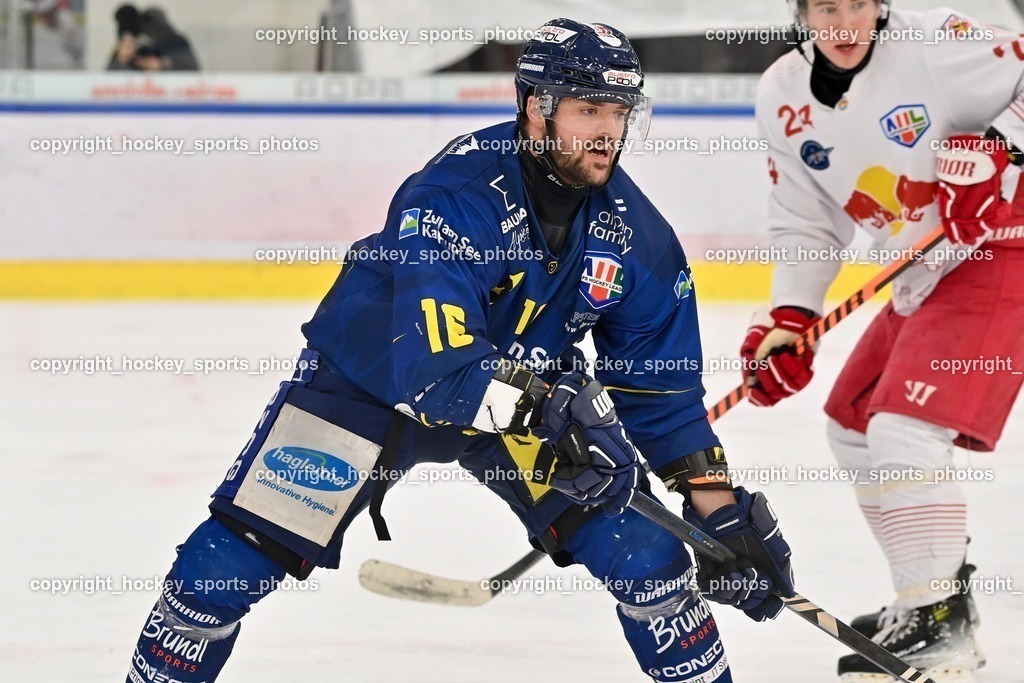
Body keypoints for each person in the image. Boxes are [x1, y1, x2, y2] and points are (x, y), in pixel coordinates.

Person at [124, 19, 796, 683]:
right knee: (216, 576)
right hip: (368, 386)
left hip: (528, 402)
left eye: (619, 112)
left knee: (652, 560)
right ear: (535, 108)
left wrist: (720, 514)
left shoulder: (638, 238)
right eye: (589, 109)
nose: (607, 132)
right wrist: (559, 415)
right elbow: (436, 370)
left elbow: (662, 393)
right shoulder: (456, 195)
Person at [742, 0, 1024, 680]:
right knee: (854, 422)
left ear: (881, 6)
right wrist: (790, 318)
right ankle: (923, 599)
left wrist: (1001, 147)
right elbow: (804, 220)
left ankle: (940, 618)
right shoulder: (781, 92)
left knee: (902, 425)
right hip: (928, 268)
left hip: (1007, 249)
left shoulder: (937, 42)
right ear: (801, 13)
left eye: (857, 6)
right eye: (825, 9)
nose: (843, 24)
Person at [108, 4, 199, 71]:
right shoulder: (135, 45)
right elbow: (105, 80)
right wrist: (121, 60)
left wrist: (163, 65)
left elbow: (192, 69)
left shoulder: (177, 42)